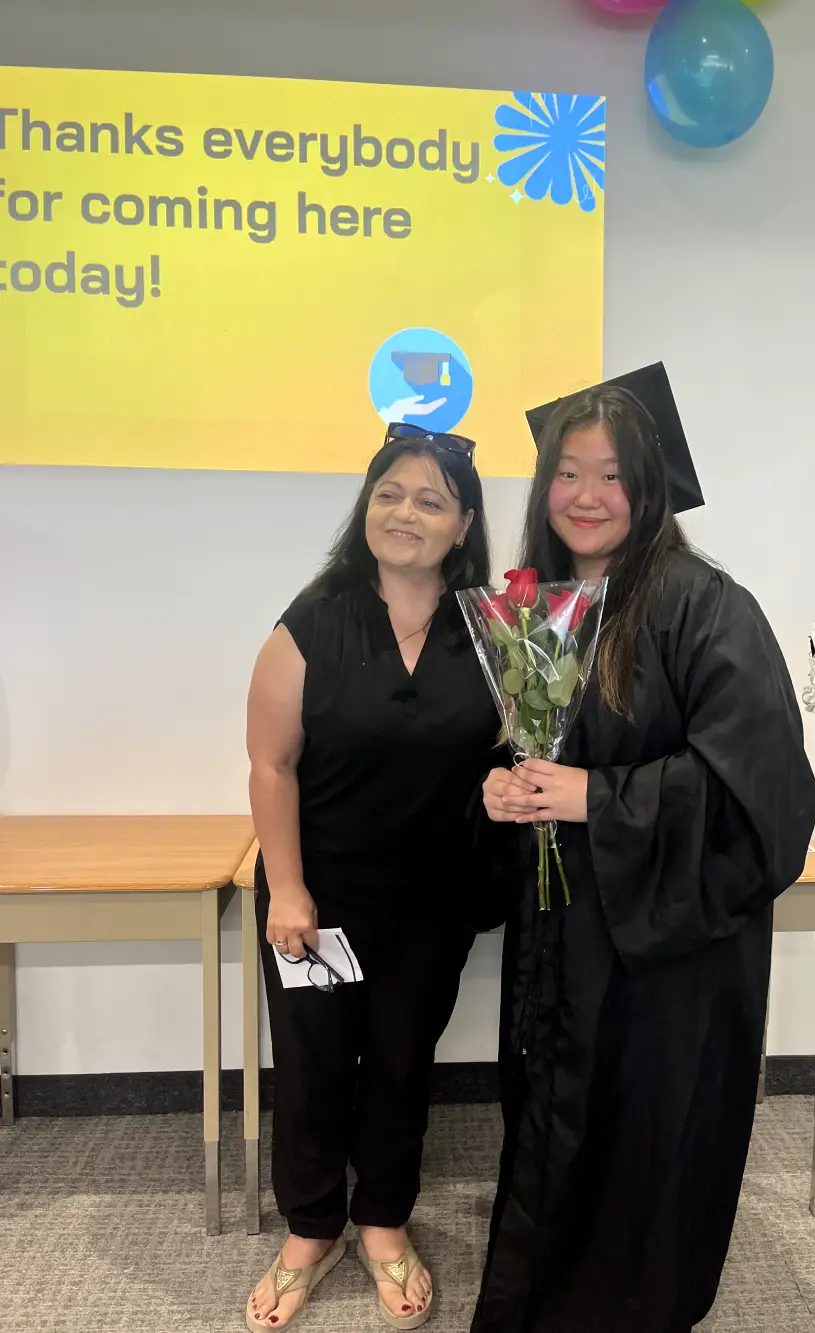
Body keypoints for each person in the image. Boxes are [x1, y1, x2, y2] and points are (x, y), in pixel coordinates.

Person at [472, 366, 815, 1333]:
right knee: (553, 1125)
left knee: (648, 1136)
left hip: (669, 950)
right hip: (565, 931)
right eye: (568, 473)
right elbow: (524, 749)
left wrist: (599, 797)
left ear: (650, 486)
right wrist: (502, 787)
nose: (587, 495)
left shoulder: (708, 605)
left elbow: (765, 791)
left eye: (613, 475)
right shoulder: (534, 607)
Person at [245, 423, 505, 1333]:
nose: (405, 512)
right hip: (317, 900)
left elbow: (512, 751)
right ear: (366, 507)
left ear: (463, 524)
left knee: (401, 1062)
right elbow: (271, 764)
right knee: (312, 1066)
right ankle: (311, 1228)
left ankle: (383, 1217)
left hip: (432, 903)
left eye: (430, 500)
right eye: (389, 493)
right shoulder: (313, 619)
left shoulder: (494, 632)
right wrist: (287, 888)